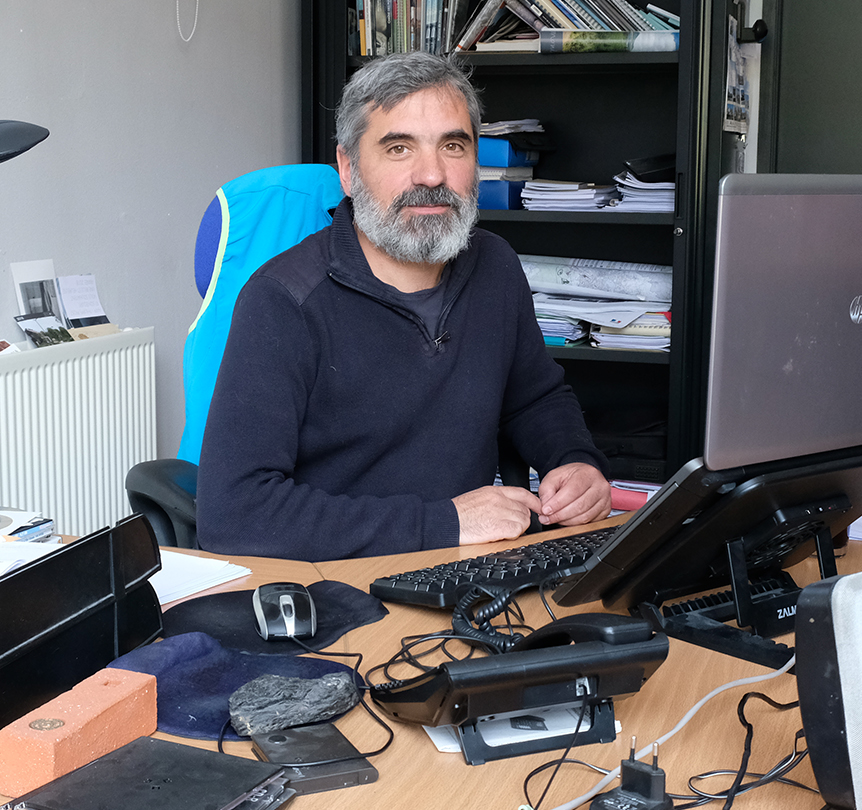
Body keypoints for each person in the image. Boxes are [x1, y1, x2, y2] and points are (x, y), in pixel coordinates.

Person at [195, 53, 611, 560]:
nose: (432, 175)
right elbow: (234, 513)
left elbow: (534, 398)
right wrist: (444, 522)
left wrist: (574, 461)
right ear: (348, 169)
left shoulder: (494, 266)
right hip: (340, 588)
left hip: (468, 573)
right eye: (398, 148)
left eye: (453, 145)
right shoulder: (283, 300)